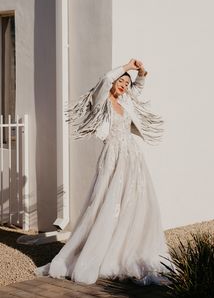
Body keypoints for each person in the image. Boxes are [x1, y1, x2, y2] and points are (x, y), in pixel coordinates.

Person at [34, 59, 172, 285]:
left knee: (134, 202)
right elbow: (104, 80)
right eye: (121, 82)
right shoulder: (103, 101)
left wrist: (142, 75)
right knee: (108, 201)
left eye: (126, 84)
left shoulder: (126, 101)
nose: (123, 86)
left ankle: (127, 247)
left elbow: (136, 89)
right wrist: (127, 67)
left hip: (133, 159)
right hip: (113, 157)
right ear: (115, 81)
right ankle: (99, 251)